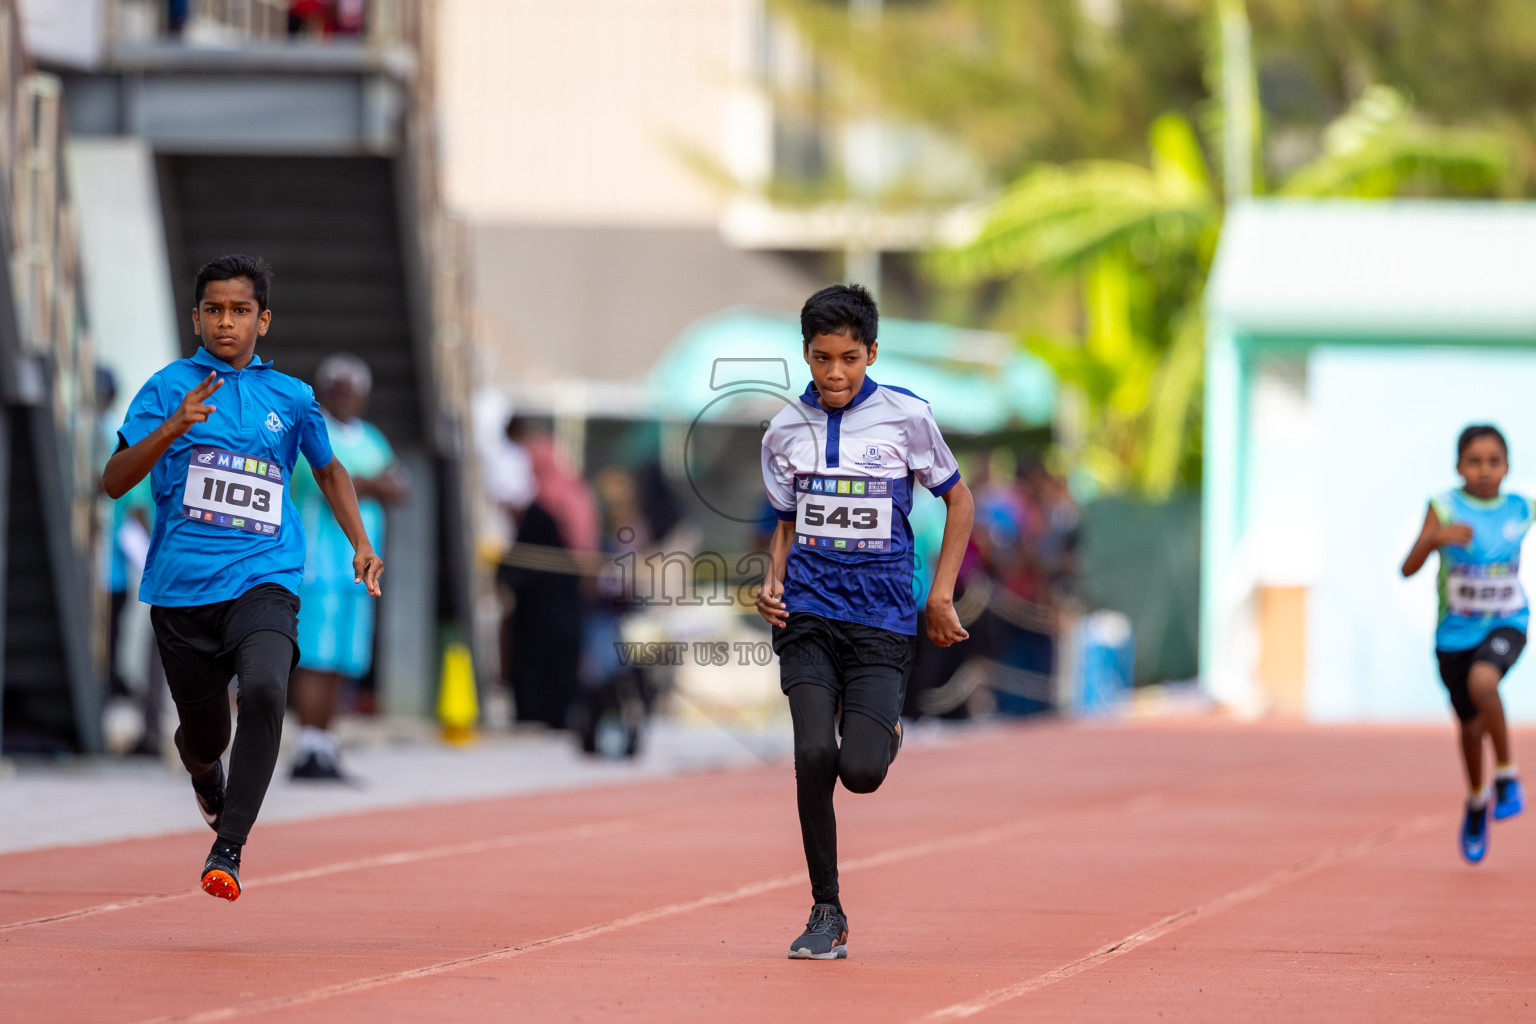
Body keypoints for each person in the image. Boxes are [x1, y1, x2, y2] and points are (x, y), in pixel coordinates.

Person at [102, 254, 382, 901]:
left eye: (241, 310)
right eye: (215, 311)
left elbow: (330, 470)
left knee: (263, 690)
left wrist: (360, 542)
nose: (227, 323)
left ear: (263, 320)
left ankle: (227, 848)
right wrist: (171, 428)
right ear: (196, 317)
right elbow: (114, 480)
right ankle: (204, 772)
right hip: (181, 591)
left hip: (266, 578)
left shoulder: (292, 398)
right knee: (207, 738)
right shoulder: (169, 387)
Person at [756, 283, 974, 959]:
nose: (834, 373)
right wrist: (771, 580)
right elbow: (785, 523)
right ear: (805, 354)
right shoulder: (782, 430)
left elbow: (960, 503)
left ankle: (883, 734)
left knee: (860, 771)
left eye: (849, 357)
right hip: (808, 614)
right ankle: (827, 911)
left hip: (882, 618)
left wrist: (939, 596)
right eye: (822, 357)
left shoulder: (908, 418)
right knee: (813, 754)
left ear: (872, 353)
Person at [1401, 425, 1528, 864]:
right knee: (1470, 730)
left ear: (1507, 466)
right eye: (1474, 461)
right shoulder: (1445, 507)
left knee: (1484, 682)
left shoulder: (1520, 508)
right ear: (1459, 466)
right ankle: (1477, 799)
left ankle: (1507, 776)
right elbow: (1408, 568)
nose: (1484, 470)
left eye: (1494, 461)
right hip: (1454, 635)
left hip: (1507, 623)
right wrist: (1433, 540)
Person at [290, 354, 407, 780]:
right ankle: (306, 745)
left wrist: (369, 483)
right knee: (316, 658)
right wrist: (371, 483)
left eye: (352, 388)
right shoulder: (312, 430)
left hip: (360, 570)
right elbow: (326, 480)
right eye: (337, 387)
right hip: (319, 565)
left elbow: (399, 485)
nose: (345, 395)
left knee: (344, 659)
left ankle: (326, 744)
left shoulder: (370, 438)